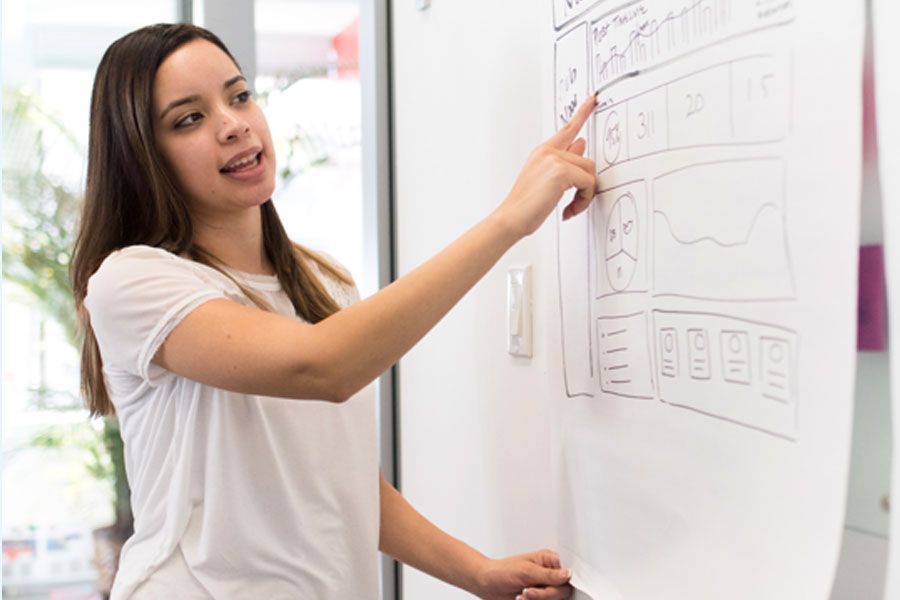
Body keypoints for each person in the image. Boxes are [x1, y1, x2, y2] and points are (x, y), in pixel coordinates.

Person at [70, 23, 597, 600]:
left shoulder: (322, 282)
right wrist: (509, 221)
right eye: (189, 119)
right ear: (143, 156)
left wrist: (476, 572)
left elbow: (340, 484)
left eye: (239, 94)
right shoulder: (131, 280)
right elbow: (323, 367)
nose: (232, 124)